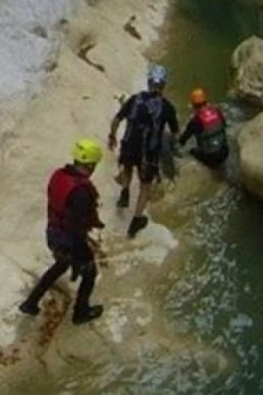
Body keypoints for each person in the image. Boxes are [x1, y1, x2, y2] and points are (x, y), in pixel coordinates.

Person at [18, 138, 106, 325]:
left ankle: (31, 302)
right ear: (89, 164)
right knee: (90, 273)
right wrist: (82, 253)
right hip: (69, 239)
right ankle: (81, 312)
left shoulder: (59, 175)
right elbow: (76, 227)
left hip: (53, 232)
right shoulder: (81, 192)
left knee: (60, 264)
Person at [107, 64, 179, 238]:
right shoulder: (168, 107)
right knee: (145, 186)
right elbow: (176, 133)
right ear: (163, 85)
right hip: (149, 153)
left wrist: (112, 136)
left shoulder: (135, 99)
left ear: (149, 83)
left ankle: (124, 192)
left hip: (129, 145)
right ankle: (136, 222)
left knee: (127, 167)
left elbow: (117, 119)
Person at [178, 87, 229, 169]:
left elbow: (183, 139)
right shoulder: (217, 111)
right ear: (206, 101)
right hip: (225, 152)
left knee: (192, 151)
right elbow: (224, 125)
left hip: (211, 157)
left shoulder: (195, 120)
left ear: (193, 105)